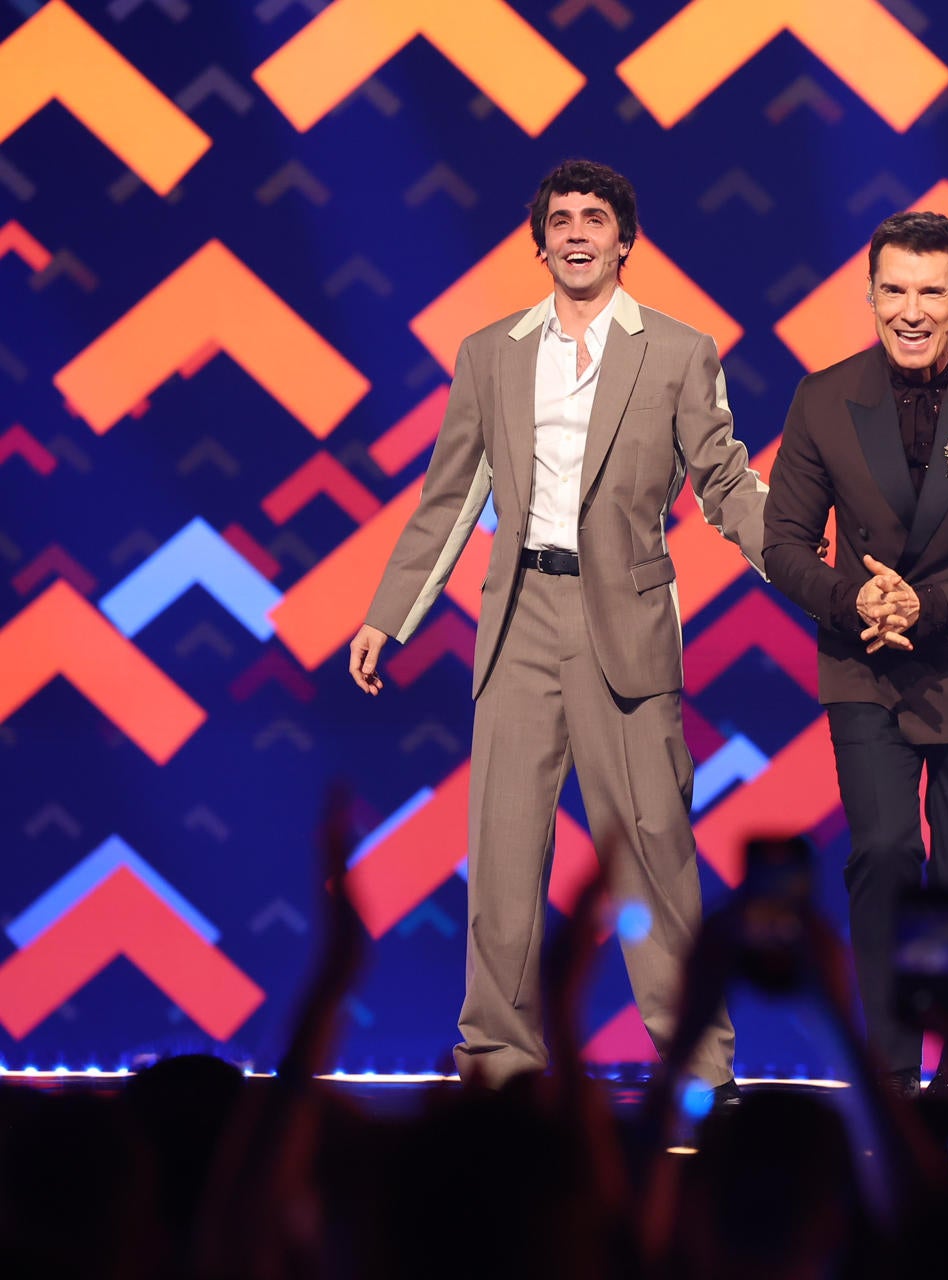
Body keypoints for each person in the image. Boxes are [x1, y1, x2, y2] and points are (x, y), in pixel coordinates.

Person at [346, 159, 767, 1094]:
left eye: (596, 218)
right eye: (562, 219)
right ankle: (497, 1061)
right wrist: (390, 614)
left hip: (627, 621)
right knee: (502, 855)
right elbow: (450, 495)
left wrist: (808, 567)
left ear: (626, 240)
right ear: (540, 243)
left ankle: (698, 1067)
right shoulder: (491, 352)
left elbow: (726, 481)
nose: (578, 232)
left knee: (655, 848)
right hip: (519, 619)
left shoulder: (678, 350)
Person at [762, 211, 948, 1095]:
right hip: (866, 663)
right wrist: (851, 597)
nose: (911, 309)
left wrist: (927, 607)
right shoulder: (823, 398)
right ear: (868, 295)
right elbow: (784, 542)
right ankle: (892, 1074)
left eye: (932, 291)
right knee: (886, 855)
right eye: (893, 289)